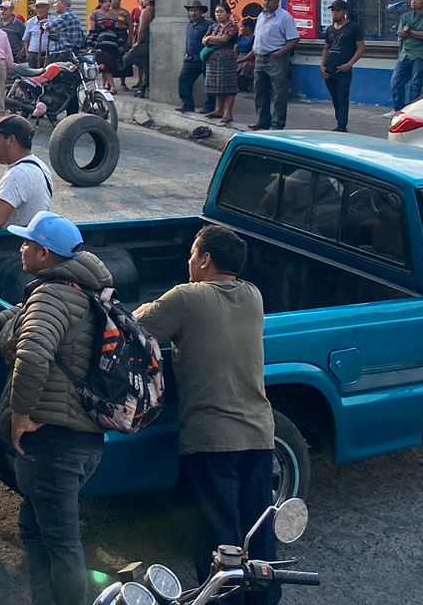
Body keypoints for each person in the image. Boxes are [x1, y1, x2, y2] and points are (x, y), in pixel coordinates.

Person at [0, 212, 113, 605]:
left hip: (53, 443)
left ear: (45, 254)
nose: (20, 248)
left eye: (27, 243)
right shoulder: (83, 289)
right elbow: (34, 318)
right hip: (84, 442)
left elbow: (33, 355)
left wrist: (19, 413)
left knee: (62, 542)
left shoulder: (52, 294)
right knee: (34, 529)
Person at [136, 225, 279, 603]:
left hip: (210, 438)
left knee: (218, 537)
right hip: (259, 435)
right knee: (257, 533)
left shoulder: (186, 298)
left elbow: (135, 326)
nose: (188, 261)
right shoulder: (253, 295)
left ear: (205, 259)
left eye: (192, 253)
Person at [0, 115, 53, 231]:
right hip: (30, 241)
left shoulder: (18, 174)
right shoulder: (40, 165)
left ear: (11, 140)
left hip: (13, 245)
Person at [250, 0, 300, 132]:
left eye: (268, 0)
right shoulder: (261, 16)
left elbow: (294, 39)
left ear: (276, 1)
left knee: (279, 92)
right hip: (260, 57)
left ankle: (277, 124)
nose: (265, 2)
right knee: (260, 91)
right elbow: (257, 36)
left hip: (276, 58)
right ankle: (262, 120)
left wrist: (280, 53)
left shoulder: (285, 17)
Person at [319, 0, 365, 133]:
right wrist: (322, 65)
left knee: (343, 98)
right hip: (329, 68)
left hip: (343, 69)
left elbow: (361, 49)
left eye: (337, 10)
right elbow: (326, 48)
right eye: (332, 10)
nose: (334, 13)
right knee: (334, 98)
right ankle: (338, 121)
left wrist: (350, 64)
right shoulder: (330, 29)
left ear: (345, 11)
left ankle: (342, 125)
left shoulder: (353, 28)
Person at [202, 3, 242, 126]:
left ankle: (228, 112)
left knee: (228, 86)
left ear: (228, 14)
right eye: (216, 12)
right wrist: (210, 39)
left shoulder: (232, 26)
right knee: (218, 86)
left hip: (227, 59)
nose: (218, 14)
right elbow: (203, 40)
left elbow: (224, 39)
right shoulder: (213, 26)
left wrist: (210, 39)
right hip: (213, 60)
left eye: (221, 11)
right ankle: (219, 110)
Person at [177, 1, 212, 114]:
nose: (193, 13)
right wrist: (186, 53)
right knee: (183, 80)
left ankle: (210, 107)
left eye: (196, 10)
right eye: (191, 10)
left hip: (204, 58)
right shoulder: (189, 25)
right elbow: (188, 42)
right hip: (190, 59)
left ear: (201, 12)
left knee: (209, 84)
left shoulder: (208, 25)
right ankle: (187, 105)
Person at [125, 0, 154, 97]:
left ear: (149, 0)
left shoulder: (146, 12)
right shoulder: (158, 10)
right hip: (154, 43)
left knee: (128, 58)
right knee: (147, 66)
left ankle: (143, 88)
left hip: (145, 42)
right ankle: (144, 87)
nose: (143, 1)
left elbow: (142, 29)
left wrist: (137, 42)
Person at [44, 0, 86, 65]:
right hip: (70, 53)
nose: (54, 5)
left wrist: (44, 24)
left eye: (56, 2)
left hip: (65, 55)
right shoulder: (71, 15)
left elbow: (49, 28)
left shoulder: (66, 16)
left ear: (62, 3)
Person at [22, 0, 54, 67]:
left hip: (50, 55)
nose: (39, 10)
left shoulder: (54, 21)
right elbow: (26, 39)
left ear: (47, 9)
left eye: (42, 7)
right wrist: (27, 54)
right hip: (34, 55)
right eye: (38, 8)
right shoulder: (31, 22)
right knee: (33, 76)